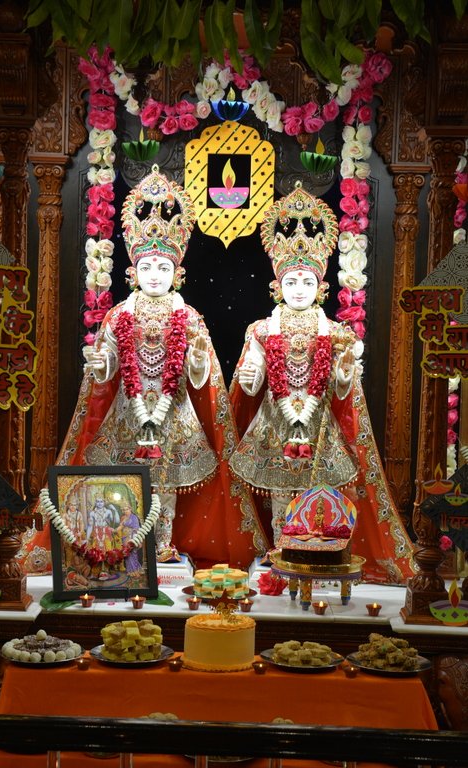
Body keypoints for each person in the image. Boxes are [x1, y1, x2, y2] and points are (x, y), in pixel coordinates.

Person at [56, 165, 267, 567]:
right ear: (133, 271)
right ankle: (130, 543)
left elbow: (200, 376)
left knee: (168, 483)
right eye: (148, 267)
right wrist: (102, 364)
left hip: (174, 412)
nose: (155, 275)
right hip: (128, 413)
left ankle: (165, 545)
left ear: (178, 273)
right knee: (127, 484)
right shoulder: (119, 314)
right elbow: (108, 366)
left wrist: (197, 362)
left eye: (164, 268)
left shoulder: (187, 316)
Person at [229, 182, 413, 583]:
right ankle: (281, 550)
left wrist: (345, 372)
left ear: (321, 287)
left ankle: (310, 549)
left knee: (315, 493)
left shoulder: (335, 333)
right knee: (280, 491)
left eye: (307, 282)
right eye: (292, 282)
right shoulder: (262, 329)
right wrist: (249, 377)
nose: (299, 290)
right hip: (274, 422)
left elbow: (343, 390)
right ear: (277, 286)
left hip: (319, 427)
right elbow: (252, 381)